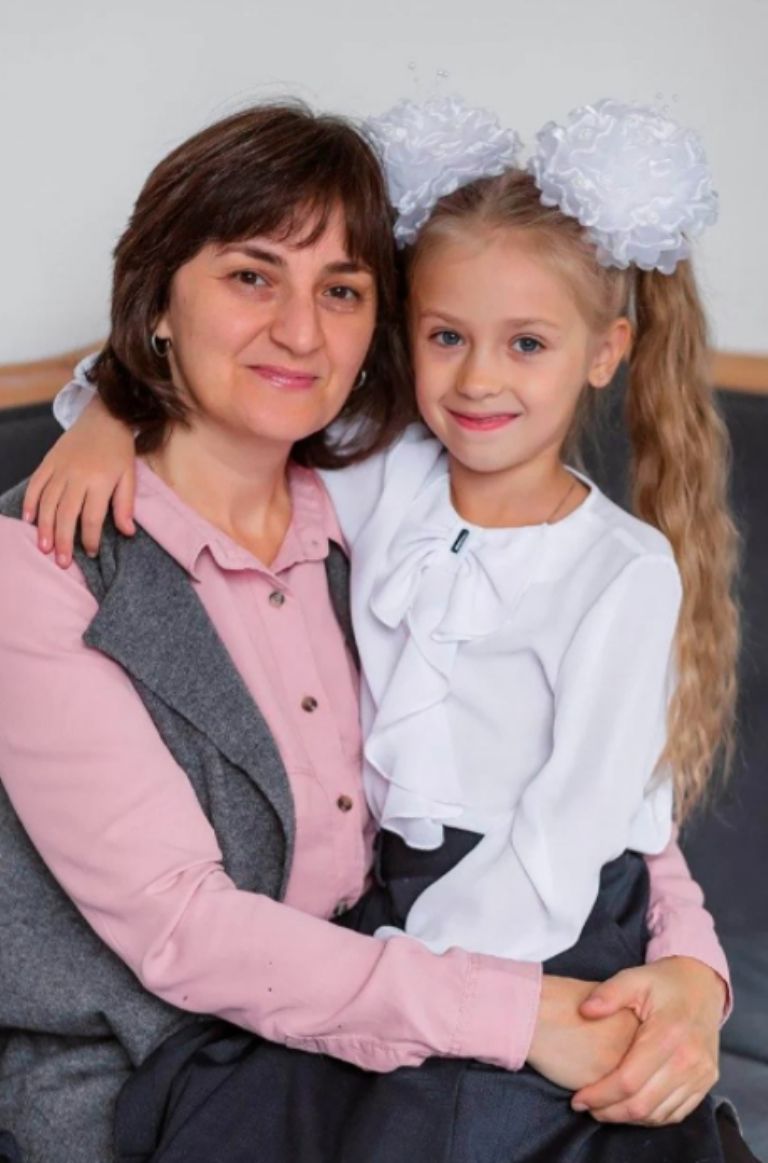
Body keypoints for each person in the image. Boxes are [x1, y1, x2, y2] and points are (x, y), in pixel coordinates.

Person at [2, 99, 746, 1162]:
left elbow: (591, 783)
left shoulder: (374, 509)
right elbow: (183, 928)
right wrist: (510, 1010)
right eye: (252, 275)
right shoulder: (47, 562)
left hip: (408, 1002)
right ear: (157, 297)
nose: (301, 331)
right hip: (167, 1060)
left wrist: (691, 973)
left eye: (341, 290)